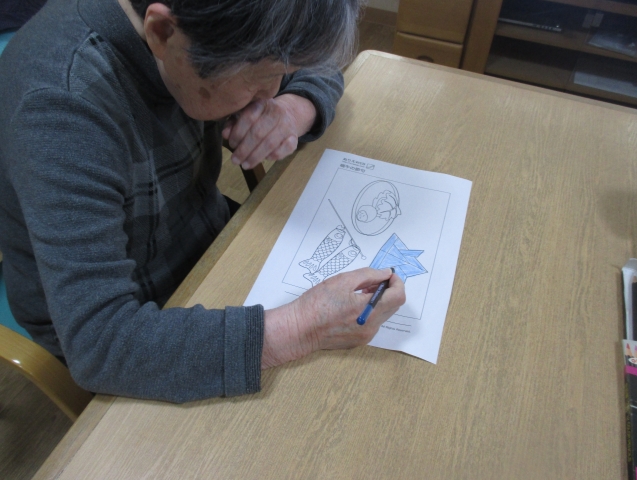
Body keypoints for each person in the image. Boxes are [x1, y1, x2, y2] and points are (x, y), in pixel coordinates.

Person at [0, 0, 405, 402]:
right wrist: (303, 326)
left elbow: (316, 62)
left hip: (203, 241)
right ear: (162, 33)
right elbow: (100, 345)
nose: (271, 92)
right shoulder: (62, 107)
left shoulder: (207, 35)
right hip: (131, 316)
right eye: (263, 77)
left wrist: (295, 108)